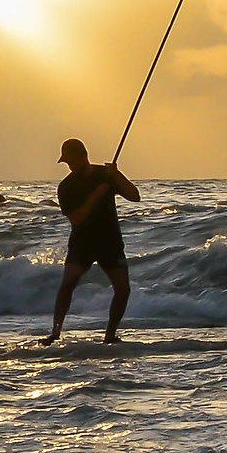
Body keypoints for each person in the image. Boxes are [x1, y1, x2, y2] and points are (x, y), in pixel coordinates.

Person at [46, 138, 140, 344]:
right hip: (82, 244)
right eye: (66, 162)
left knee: (123, 289)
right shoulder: (66, 187)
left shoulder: (105, 176)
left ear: (83, 157)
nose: (69, 166)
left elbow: (135, 196)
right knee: (67, 285)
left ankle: (110, 335)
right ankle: (55, 332)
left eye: (71, 161)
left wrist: (117, 176)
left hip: (110, 241)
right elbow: (77, 219)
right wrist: (96, 196)